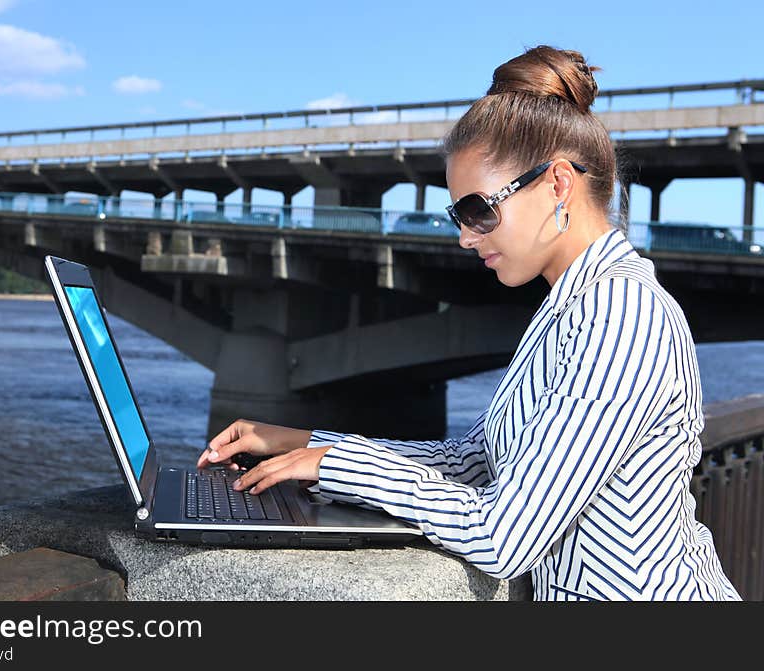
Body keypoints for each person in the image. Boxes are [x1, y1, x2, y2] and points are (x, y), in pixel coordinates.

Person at [196, 45, 741, 601]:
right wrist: (312, 443)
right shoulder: (575, 306)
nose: (465, 236)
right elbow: (476, 461)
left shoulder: (620, 314)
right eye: (458, 215)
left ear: (557, 184)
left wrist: (341, 467)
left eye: (480, 209)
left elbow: (506, 537)